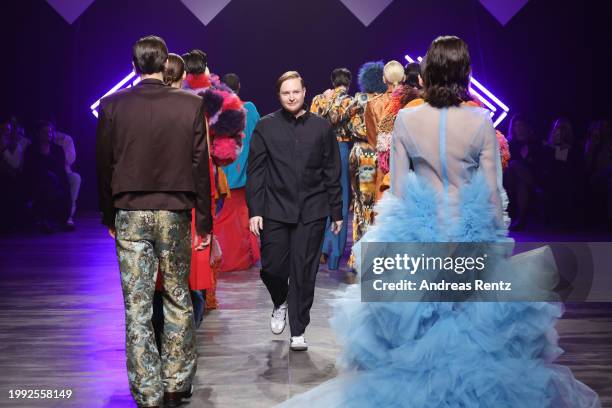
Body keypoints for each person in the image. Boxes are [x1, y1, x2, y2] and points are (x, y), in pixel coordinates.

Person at [276, 36, 600, 407]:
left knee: (413, 335)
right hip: (469, 233)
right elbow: (495, 195)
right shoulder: (480, 121)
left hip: (416, 235)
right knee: (476, 336)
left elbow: (396, 190)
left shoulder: (408, 119)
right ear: (464, 72)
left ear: (428, 70)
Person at [96, 35, 212, 408]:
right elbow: (200, 166)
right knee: (177, 294)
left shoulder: (113, 106)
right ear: (164, 65)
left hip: (130, 212)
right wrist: (205, 221)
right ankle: (176, 383)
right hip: (175, 212)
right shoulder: (189, 105)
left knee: (138, 304)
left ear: (134, 66)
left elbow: (104, 164)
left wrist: (107, 214)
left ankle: (147, 391)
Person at [246, 71, 342, 351]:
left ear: (304, 92)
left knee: (304, 272)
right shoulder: (266, 126)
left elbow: (331, 171)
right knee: (273, 267)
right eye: (286, 92)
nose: (291, 97)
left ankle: (298, 330)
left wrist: (336, 211)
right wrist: (255, 210)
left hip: (312, 209)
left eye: (296, 92)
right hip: (275, 208)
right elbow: (256, 172)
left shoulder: (322, 128)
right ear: (279, 95)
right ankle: (280, 300)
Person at [214, 72, 261, 272]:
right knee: (244, 216)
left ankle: (222, 259)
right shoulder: (250, 108)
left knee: (224, 218)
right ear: (240, 86)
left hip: (226, 172)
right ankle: (246, 257)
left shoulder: (219, 111)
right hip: (247, 172)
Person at [310, 68, 355, 270]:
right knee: (341, 199)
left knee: (321, 198)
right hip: (341, 148)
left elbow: (309, 123)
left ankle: (319, 250)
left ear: (332, 80)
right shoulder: (351, 101)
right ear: (349, 82)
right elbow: (357, 129)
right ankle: (335, 256)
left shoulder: (319, 99)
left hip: (319, 150)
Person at [346, 62, 387, 276]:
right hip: (373, 155)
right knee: (373, 206)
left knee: (360, 205)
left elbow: (347, 124)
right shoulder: (385, 101)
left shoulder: (358, 100)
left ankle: (356, 257)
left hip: (358, 154)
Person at [366, 60, 405, 200]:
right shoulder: (414, 102)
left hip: (384, 168)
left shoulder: (373, 104)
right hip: (409, 169)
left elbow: (372, 141)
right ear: (404, 78)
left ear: (384, 79)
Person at [23, 121, 71, 232]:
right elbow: (29, 169)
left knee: (54, 181)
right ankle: (43, 220)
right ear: (39, 133)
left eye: (50, 132)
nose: (48, 134)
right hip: (36, 181)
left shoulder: (58, 150)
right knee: (46, 181)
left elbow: (60, 168)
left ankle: (56, 220)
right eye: (45, 132)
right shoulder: (31, 149)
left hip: (56, 180)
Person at [53, 128, 80, 228]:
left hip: (64, 172)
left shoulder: (64, 140)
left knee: (75, 178)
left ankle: (69, 216)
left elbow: (70, 159)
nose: (48, 134)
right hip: (47, 173)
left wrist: (63, 141)